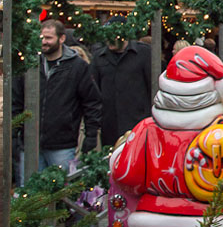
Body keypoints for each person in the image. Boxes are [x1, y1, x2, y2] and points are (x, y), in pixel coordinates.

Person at [12, 20, 102, 176]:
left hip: (62, 143)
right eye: (41, 38)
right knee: (29, 193)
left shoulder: (77, 67)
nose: (44, 42)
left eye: (48, 38)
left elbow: (91, 102)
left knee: (61, 193)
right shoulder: (30, 65)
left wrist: (91, 134)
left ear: (61, 39)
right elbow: (17, 101)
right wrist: (14, 133)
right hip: (29, 143)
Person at [90, 17, 152, 147]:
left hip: (138, 123)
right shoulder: (99, 57)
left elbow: (152, 86)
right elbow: (94, 92)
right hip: (109, 125)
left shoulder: (144, 53)